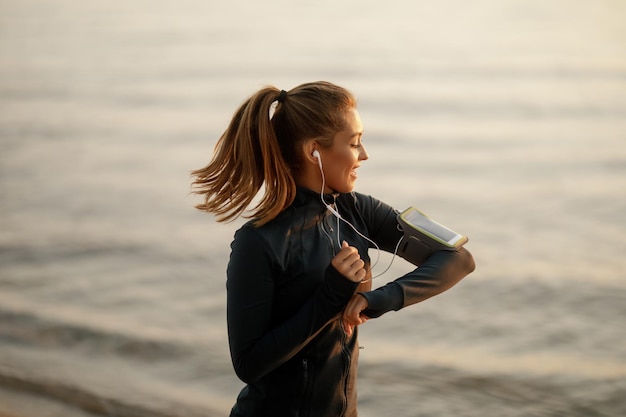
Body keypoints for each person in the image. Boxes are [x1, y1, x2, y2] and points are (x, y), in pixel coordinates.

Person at [191, 81, 475, 417]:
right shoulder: (258, 242)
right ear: (313, 151)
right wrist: (331, 295)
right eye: (354, 143)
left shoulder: (359, 212)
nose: (364, 155)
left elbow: (458, 258)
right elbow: (249, 364)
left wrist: (375, 299)